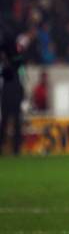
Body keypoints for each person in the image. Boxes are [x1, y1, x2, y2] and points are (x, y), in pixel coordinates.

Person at [0, 18, 25, 155]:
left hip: (10, 89)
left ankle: (7, 146)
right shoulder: (17, 59)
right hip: (14, 89)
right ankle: (15, 148)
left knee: (7, 119)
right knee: (14, 119)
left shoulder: (9, 63)